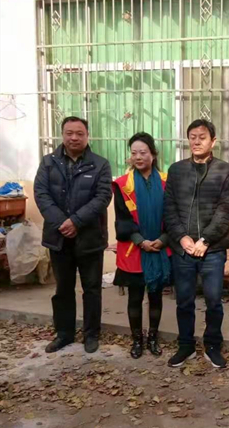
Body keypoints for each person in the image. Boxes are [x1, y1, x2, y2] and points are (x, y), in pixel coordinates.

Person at [34, 116, 112, 354]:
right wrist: (62, 223)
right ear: (63, 135)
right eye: (69, 133)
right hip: (59, 238)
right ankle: (64, 334)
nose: (74, 138)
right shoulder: (48, 163)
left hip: (90, 238)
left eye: (79, 133)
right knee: (63, 290)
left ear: (87, 136)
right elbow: (41, 194)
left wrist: (76, 221)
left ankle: (91, 335)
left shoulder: (100, 164)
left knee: (92, 289)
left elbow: (102, 197)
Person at [164, 119, 229, 369]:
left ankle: (212, 345)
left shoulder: (224, 171)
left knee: (214, 300)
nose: (196, 141)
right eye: (192, 137)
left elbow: (225, 209)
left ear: (213, 141)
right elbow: (169, 208)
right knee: (184, 300)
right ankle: (185, 345)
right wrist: (181, 237)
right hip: (183, 249)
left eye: (202, 137)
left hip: (212, 249)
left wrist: (205, 239)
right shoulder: (176, 170)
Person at [112, 132, 171, 359]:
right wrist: (141, 241)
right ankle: (137, 340)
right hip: (134, 249)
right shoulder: (122, 185)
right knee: (134, 298)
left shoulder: (167, 182)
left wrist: (163, 239)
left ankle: (153, 338)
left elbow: (174, 215)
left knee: (156, 296)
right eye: (134, 153)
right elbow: (122, 219)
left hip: (160, 247)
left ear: (153, 154)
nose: (138, 157)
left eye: (143, 152)